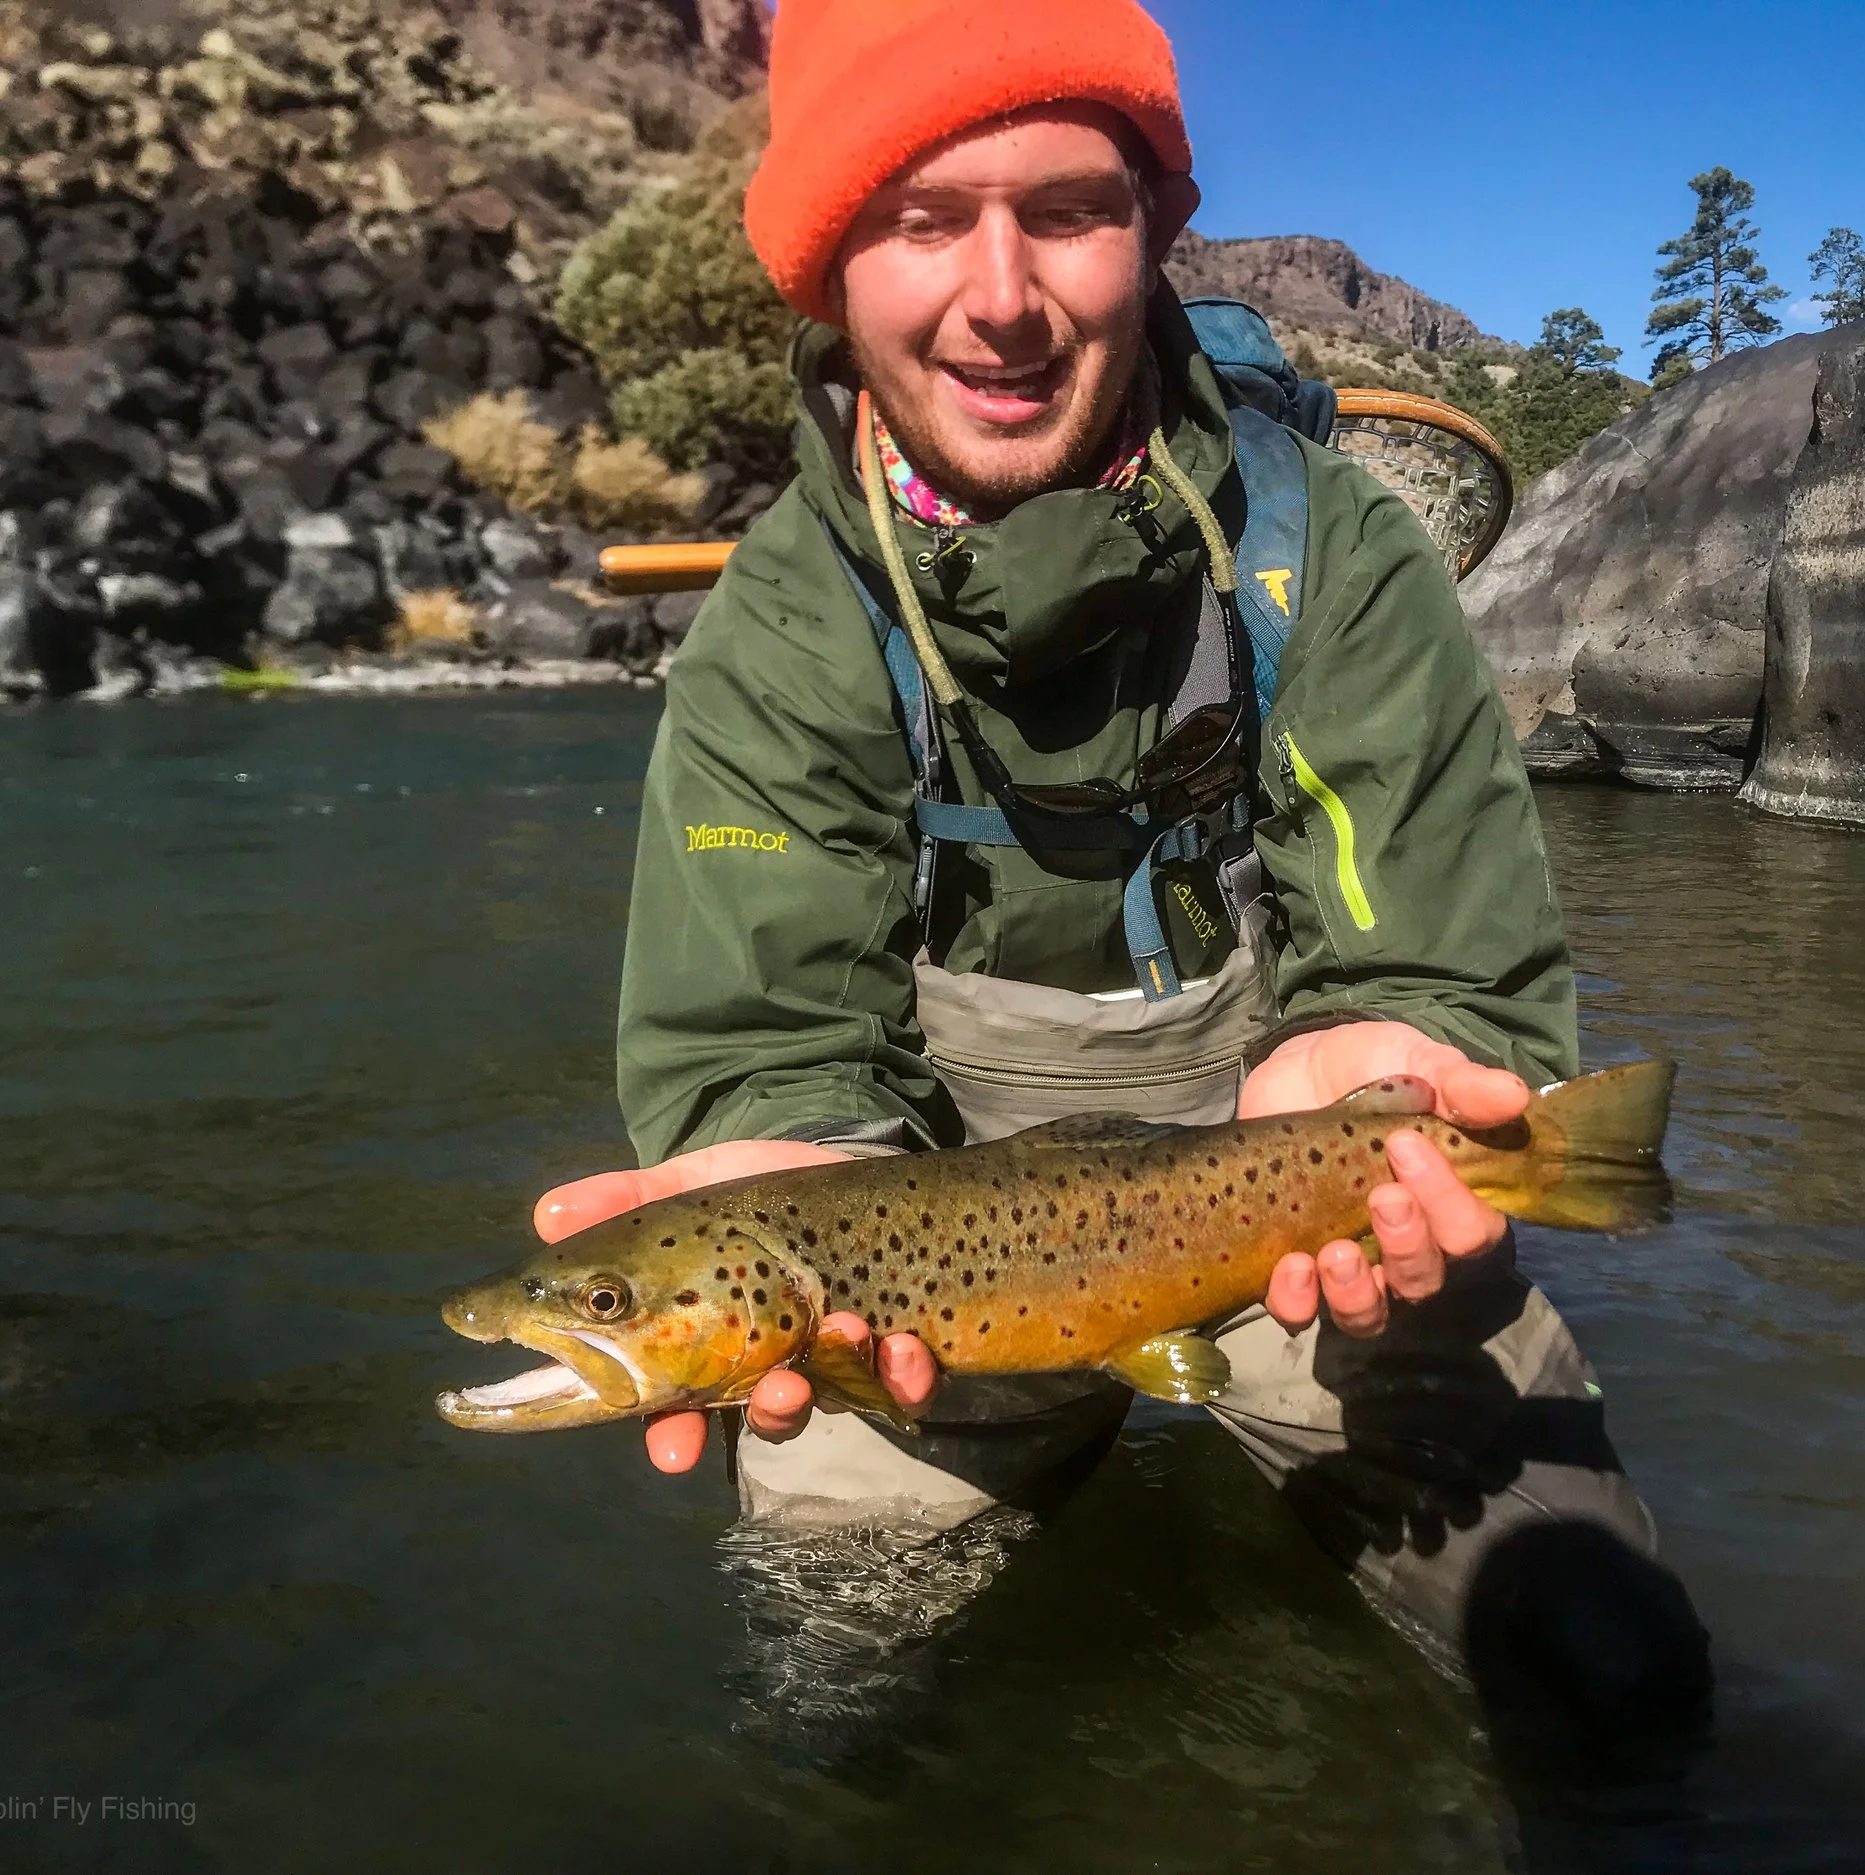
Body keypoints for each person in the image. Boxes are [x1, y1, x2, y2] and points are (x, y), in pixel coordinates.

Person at [534, 0, 1706, 1730]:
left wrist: (1392, 1058)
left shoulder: (1333, 563)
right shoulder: (776, 637)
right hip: (912, 1300)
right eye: (923, 219)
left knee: (1606, 1675)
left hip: (1306, 1228)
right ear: (827, 268)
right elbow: (760, 1059)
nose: (1000, 295)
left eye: (1067, 209)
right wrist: (772, 1191)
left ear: (1154, 228)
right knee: (825, 1704)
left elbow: (1435, 975)